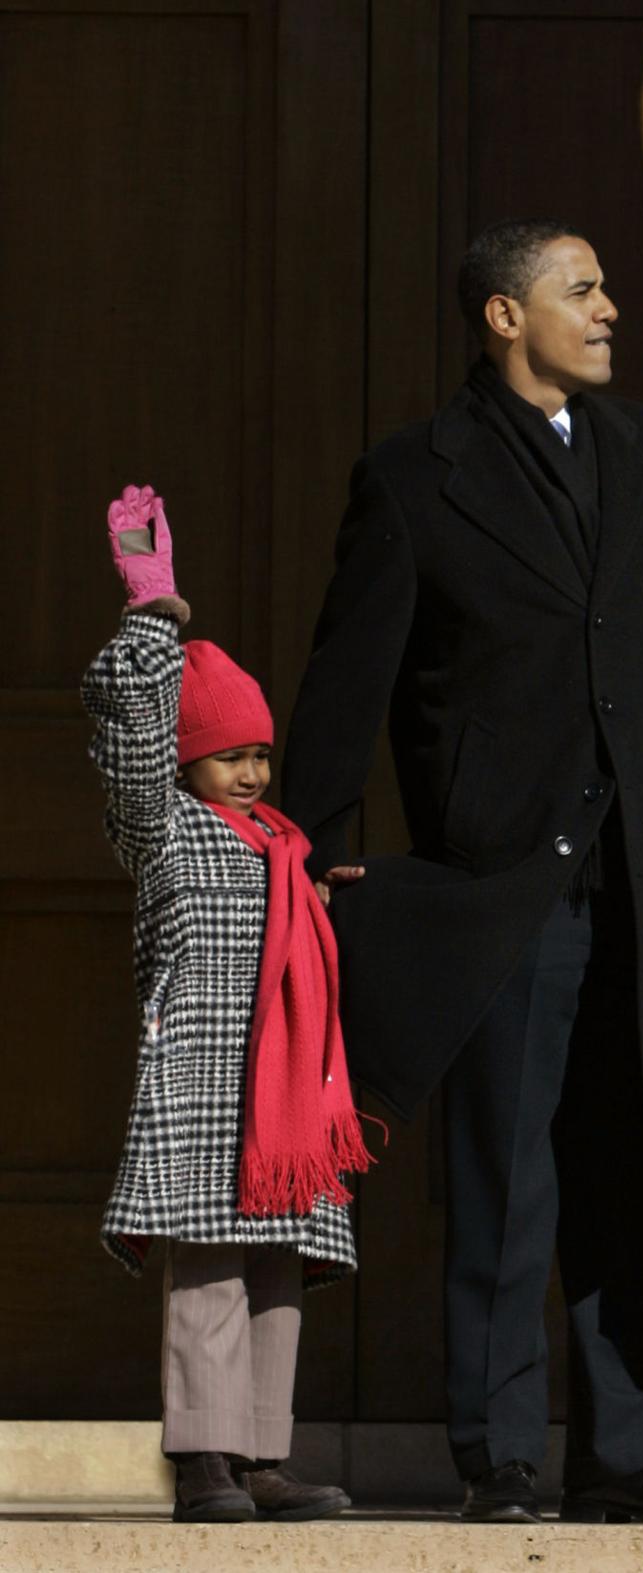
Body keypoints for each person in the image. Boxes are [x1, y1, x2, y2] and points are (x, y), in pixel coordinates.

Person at [282, 216, 643, 1524]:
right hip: (501, 890)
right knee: (505, 1180)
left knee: (627, 1170)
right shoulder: (412, 479)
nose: (609, 309)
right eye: (582, 288)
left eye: (605, 289)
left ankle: (628, 1457)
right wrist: (305, 866)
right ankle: (499, 1460)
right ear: (504, 315)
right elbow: (344, 687)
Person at [83, 485, 372, 1524]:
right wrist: (153, 616)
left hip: (288, 1108)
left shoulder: (289, 848)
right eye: (228, 752)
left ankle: (261, 1454)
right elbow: (127, 748)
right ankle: (202, 1453)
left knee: (276, 1276)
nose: (251, 770)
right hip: (209, 1089)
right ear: (185, 758)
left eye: (260, 753)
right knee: (207, 1275)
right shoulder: (161, 827)